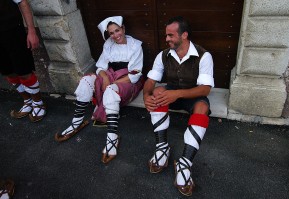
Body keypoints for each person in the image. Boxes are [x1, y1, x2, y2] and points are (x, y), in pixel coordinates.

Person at [55, 16, 144, 164]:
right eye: (111, 33)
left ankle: (112, 137)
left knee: (110, 91)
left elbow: (134, 74)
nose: (116, 35)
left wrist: (111, 84)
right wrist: (106, 79)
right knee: (86, 81)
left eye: (117, 30)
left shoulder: (135, 45)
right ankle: (76, 122)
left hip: (127, 80)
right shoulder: (109, 44)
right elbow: (101, 67)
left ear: (123, 29)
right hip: (111, 75)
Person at [143, 16, 214, 196]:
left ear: (184, 35)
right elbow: (151, 80)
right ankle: (162, 147)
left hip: (193, 93)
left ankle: (185, 162)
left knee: (202, 109)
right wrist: (146, 95)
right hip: (172, 91)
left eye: (170, 35)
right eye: (166, 35)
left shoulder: (204, 55)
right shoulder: (163, 55)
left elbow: (205, 89)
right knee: (157, 92)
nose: (166, 39)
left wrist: (178, 94)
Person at [0, 0, 46, 122]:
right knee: (8, 71)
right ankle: (27, 101)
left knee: (24, 70)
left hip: (12, 31)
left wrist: (31, 31)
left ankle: (38, 103)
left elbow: (23, 3)